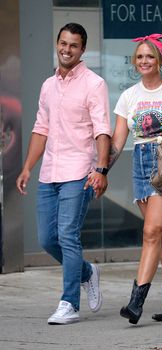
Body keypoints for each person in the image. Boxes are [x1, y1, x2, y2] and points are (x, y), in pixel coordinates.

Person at [16, 23, 111, 325]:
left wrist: (101, 169)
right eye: (63, 43)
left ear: (82, 50)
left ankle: (69, 303)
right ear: (57, 44)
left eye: (73, 45)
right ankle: (87, 272)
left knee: (68, 235)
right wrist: (28, 167)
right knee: (47, 239)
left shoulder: (94, 84)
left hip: (79, 171)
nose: (66, 50)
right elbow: (40, 129)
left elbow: (102, 131)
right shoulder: (48, 85)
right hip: (49, 172)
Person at [109, 33, 162, 325]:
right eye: (140, 57)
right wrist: (100, 168)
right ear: (135, 62)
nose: (144, 61)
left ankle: (136, 302)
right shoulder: (128, 96)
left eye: (150, 56)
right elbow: (118, 141)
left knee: (151, 232)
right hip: (140, 164)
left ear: (161, 60)